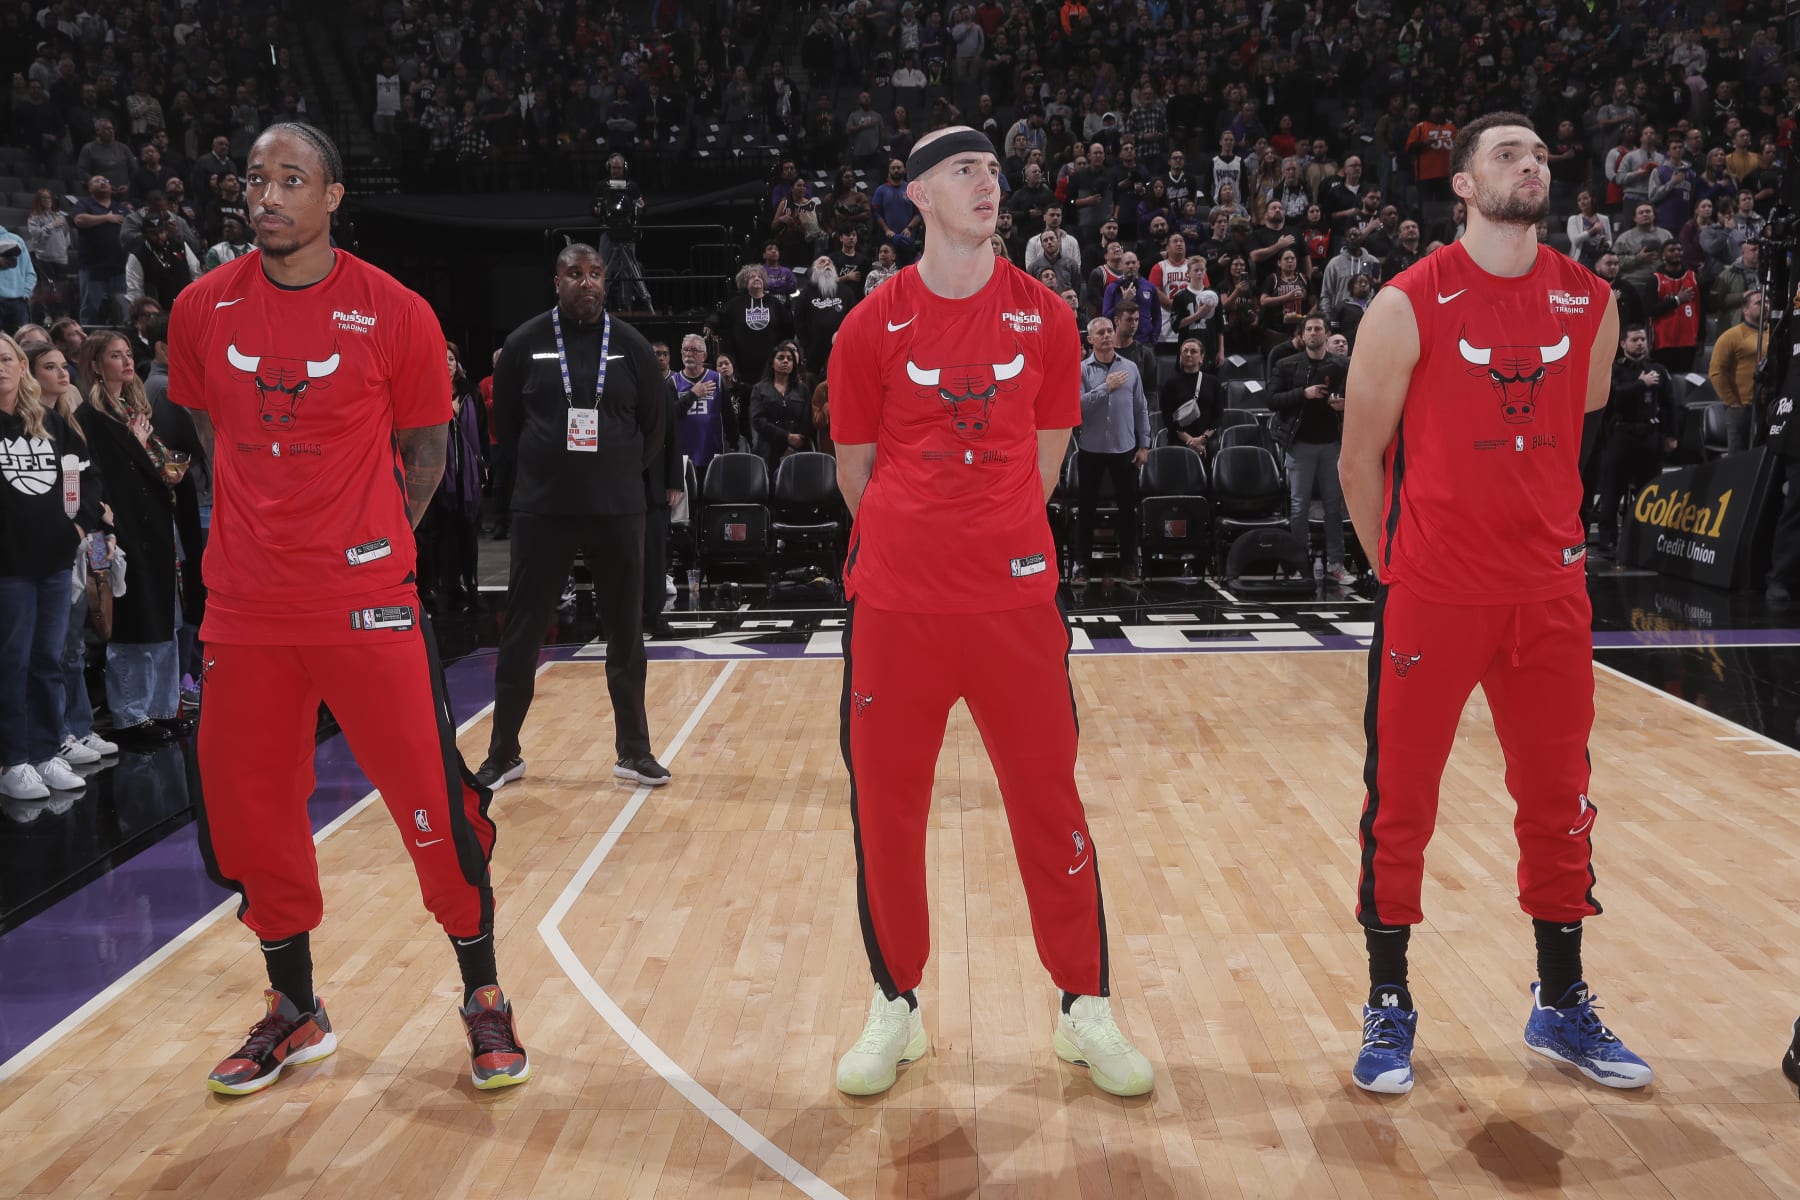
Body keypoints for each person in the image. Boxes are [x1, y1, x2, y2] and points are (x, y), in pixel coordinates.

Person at [166, 123, 531, 1096]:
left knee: (435, 809)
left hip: (365, 601)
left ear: (333, 198)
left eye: (293, 179)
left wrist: (362, 545)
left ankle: (483, 997)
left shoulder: (396, 314)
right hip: (244, 609)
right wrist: (264, 533)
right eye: (256, 178)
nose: (269, 195)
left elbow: (426, 459)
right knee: (247, 821)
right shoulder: (201, 310)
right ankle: (296, 1012)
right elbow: (209, 434)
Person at [827, 126, 1154, 1100]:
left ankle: (1084, 1005)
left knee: (1049, 803)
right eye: (965, 170)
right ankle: (896, 1004)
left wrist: (985, 536)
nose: (988, 184)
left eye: (994, 172)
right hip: (895, 608)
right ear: (919, 194)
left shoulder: (1048, 320)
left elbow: (1049, 455)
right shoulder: (868, 327)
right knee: (888, 814)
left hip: (1013, 605)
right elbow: (855, 473)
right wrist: (921, 540)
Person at [1338, 111, 1651, 1096]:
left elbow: (1583, 409)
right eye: (1506, 155)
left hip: (1550, 591)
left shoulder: (1594, 302)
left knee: (1560, 804)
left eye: (1540, 156)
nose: (1530, 166)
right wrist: (1395, 567)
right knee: (1403, 805)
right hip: (1435, 594)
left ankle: (1560, 1003)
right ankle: (1390, 1004)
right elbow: (1358, 456)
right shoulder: (1407, 302)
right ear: (1463, 185)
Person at [480, 242, 669, 793]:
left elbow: (654, 429)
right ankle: (503, 753)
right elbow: (508, 427)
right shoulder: (526, 344)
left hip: (617, 510)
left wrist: (614, 472)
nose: (586, 282)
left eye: (595, 274)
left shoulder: (631, 346)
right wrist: (546, 471)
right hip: (544, 510)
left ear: (605, 282)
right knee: (521, 632)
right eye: (574, 273)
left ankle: (634, 752)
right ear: (555, 281)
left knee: (626, 633)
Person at [0, 334, 99, 800]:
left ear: (21, 366)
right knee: (12, 664)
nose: (0, 368)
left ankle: (44, 752)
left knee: (47, 661)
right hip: (8, 568)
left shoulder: (47, 423)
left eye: (5, 359)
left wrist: (78, 528)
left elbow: (85, 475)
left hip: (54, 563)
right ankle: (13, 760)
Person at [77, 329, 186, 749]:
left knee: (164, 619)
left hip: (156, 525)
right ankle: (129, 714)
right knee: (130, 622)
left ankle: (162, 707)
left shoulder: (134, 411)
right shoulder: (89, 417)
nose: (126, 362)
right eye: (115, 356)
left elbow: (162, 470)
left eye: (127, 354)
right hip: (119, 530)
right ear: (95, 365)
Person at [26, 343, 119, 767]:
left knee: (76, 640)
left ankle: (78, 726)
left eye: (65, 366)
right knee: (56, 645)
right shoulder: (27, 424)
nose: (63, 374)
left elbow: (92, 477)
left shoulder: (71, 419)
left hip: (83, 536)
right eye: (50, 367)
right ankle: (58, 732)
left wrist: (90, 523)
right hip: (49, 544)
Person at [1270, 314, 1352, 582]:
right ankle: (1297, 564)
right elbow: (1271, 399)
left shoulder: (1341, 365)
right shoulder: (1287, 364)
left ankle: (1336, 565)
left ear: (1327, 334)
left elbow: (1359, 395)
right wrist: (1302, 394)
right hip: (1300, 444)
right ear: (1302, 335)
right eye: (1309, 329)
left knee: (1333, 506)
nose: (1314, 333)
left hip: (1331, 444)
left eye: (1319, 329)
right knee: (1299, 507)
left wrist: (1345, 405)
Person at [1072, 315, 1150, 583]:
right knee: (1086, 510)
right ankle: (1081, 565)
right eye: (1100, 332)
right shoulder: (1081, 370)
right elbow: (1077, 408)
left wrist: (1145, 444)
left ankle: (1129, 564)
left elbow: (1140, 408)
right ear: (1090, 339)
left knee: (1128, 510)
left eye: (1109, 331)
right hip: (1091, 449)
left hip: (1125, 449)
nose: (1106, 335)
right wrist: (1106, 387)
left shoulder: (1131, 368)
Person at [1594, 323, 1676, 552]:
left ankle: (1644, 540)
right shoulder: (1616, 370)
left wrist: (1671, 435)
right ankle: (1607, 540)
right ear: (1623, 344)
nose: (1640, 343)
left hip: (1650, 436)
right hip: (1622, 435)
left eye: (1643, 339)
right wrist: (1641, 384)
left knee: (1649, 492)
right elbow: (1613, 396)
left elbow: (1670, 404)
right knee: (1613, 490)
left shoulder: (1657, 369)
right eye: (1634, 340)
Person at [1707, 289, 1764, 452]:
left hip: (1766, 405)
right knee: (1738, 459)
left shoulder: (1774, 333)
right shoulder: (1730, 336)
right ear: (1745, 310)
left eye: (1767, 302)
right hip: (1741, 406)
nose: (1765, 305)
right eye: (1759, 303)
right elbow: (1717, 372)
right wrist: (1732, 401)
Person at [750, 340, 812, 474]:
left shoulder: (803, 389)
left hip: (797, 447)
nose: (785, 361)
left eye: (789, 359)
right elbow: (758, 421)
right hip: (768, 447)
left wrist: (797, 441)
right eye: (781, 358)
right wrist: (786, 437)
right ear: (772, 363)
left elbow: (807, 420)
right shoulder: (759, 388)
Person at [1160, 335, 1225, 453]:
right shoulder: (1170, 384)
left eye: (1193, 351)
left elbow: (1218, 416)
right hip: (1179, 438)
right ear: (1180, 356)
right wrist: (1191, 441)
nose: (1188, 354)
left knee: (1213, 448)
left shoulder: (1213, 382)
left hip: (1207, 438)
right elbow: (1168, 418)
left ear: (1201, 357)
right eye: (1185, 351)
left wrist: (1202, 439)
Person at [1647, 240, 1701, 376]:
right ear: (1663, 255)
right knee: (1665, 381)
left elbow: (1701, 308)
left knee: (1686, 380)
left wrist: (1701, 336)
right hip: (1663, 341)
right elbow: (1651, 310)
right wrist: (1677, 300)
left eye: (1679, 249)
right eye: (1671, 250)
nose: (1676, 252)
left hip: (1688, 340)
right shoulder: (1655, 280)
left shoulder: (1693, 277)